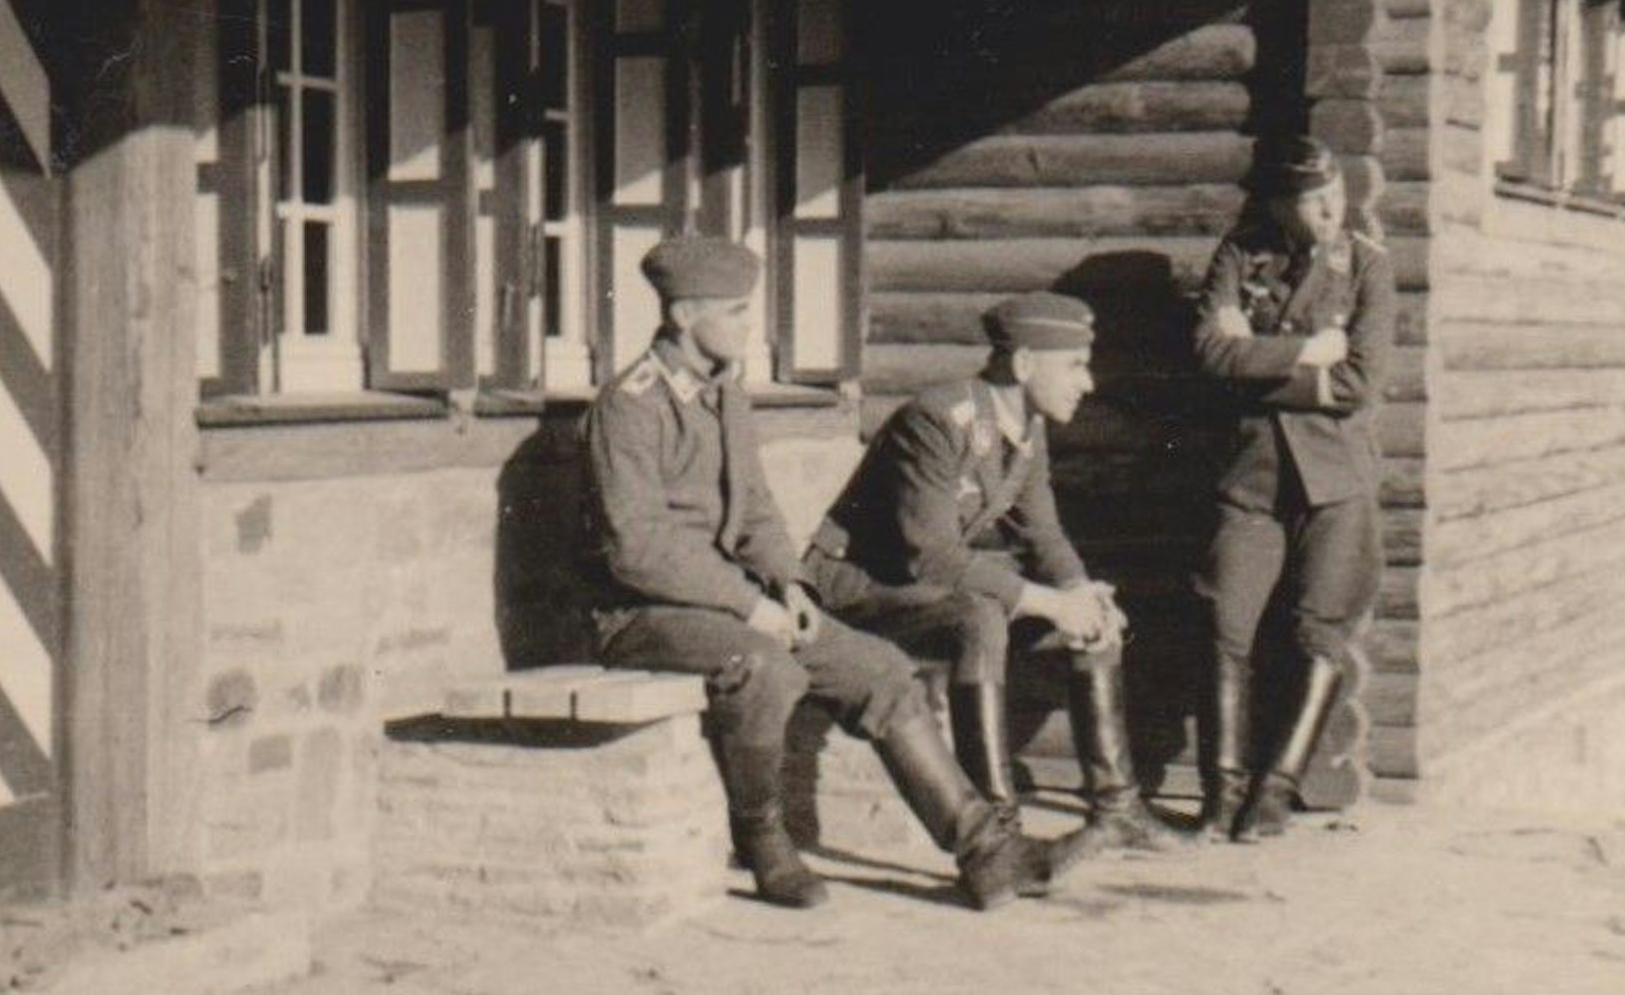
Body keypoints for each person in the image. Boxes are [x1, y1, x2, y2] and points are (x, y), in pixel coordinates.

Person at [581, 235, 1055, 911]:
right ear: (685, 316)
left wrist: (791, 586)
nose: (752, 326)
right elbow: (636, 548)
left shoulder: (725, 394)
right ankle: (762, 836)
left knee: (881, 669)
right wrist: (750, 607)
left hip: (726, 603)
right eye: (738, 312)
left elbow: (758, 514)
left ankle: (986, 851)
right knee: (768, 665)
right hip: (636, 615)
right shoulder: (630, 406)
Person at [804, 291, 1191, 863]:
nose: (1087, 383)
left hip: (916, 587)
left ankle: (1117, 809)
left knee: (1087, 616)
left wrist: (1079, 594)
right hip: (850, 583)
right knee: (978, 615)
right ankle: (1000, 827)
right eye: (1076, 365)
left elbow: (1042, 535)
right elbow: (928, 557)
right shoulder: (937, 419)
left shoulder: (1025, 428)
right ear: (1026, 364)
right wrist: (1050, 604)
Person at [1191, 134, 1392, 842]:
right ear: (1280, 203)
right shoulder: (1240, 255)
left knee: (1318, 630)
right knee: (1225, 625)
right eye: (1312, 199)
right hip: (1252, 477)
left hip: (1336, 481)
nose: (1330, 209)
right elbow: (1211, 354)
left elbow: (1359, 382)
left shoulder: (1365, 266)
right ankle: (1220, 793)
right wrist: (1308, 351)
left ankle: (1274, 790)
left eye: (1334, 193)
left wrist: (1255, 359)